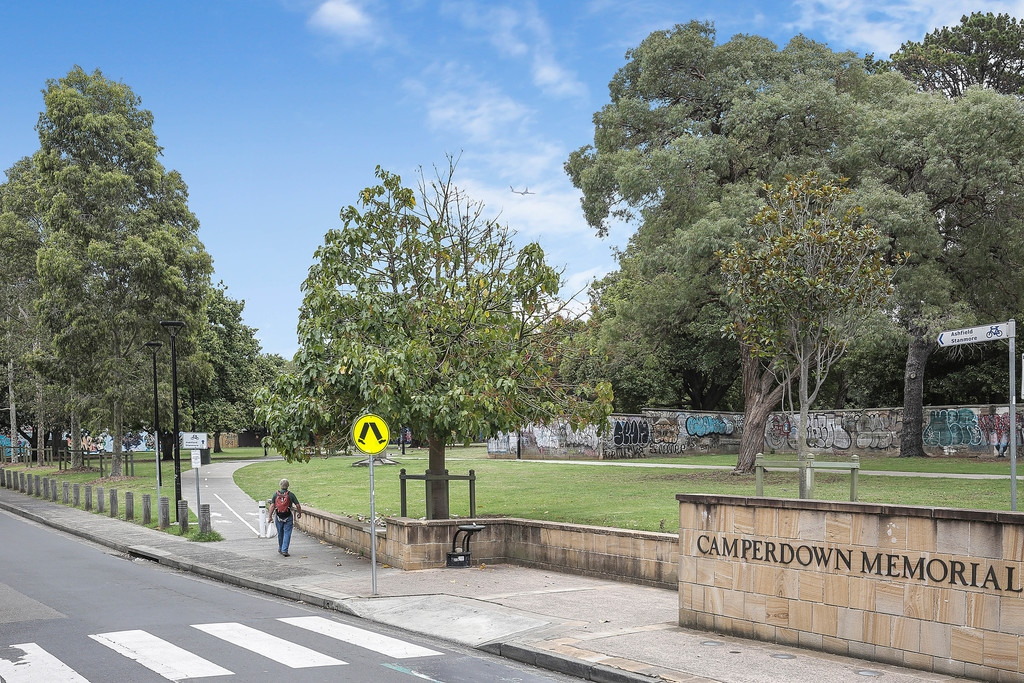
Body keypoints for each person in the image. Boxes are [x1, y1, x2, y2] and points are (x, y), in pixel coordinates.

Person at [267, 478, 301, 556]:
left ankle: (280, 548)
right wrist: (299, 513)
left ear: (280, 485)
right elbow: (298, 505)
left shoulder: (276, 494)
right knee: (287, 533)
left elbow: (272, 506)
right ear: (288, 485)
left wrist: (270, 516)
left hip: (278, 516)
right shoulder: (290, 495)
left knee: (280, 533)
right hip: (288, 516)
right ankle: (284, 550)